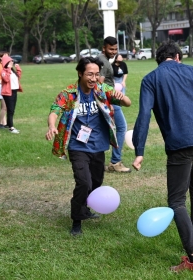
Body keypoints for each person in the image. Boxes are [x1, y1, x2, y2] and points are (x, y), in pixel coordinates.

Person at [132, 42, 193, 273]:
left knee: (176, 201)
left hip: (180, 144)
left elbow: (143, 116)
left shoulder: (151, 79)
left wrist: (139, 151)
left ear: (160, 59)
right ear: (177, 57)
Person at [45, 57, 131, 236]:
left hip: (99, 146)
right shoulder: (69, 93)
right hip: (78, 146)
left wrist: (120, 97)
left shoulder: (102, 89)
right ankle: (76, 221)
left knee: (96, 182)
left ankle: (85, 209)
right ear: (80, 73)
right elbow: (55, 110)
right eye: (89, 74)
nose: (94, 78)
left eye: (96, 74)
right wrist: (52, 126)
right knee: (83, 182)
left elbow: (128, 102)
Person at [98, 36, 131, 173]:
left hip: (110, 98)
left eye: (115, 49)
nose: (113, 51)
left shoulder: (104, 60)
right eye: (111, 49)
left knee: (104, 129)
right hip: (109, 100)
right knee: (121, 127)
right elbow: (99, 84)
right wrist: (107, 103)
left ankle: (96, 160)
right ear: (104, 48)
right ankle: (115, 162)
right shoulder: (103, 62)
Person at [1, 55, 22, 134]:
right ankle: (11, 128)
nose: (12, 62)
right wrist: (9, 68)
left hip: (14, 91)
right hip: (7, 92)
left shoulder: (12, 71)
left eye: (12, 61)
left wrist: (18, 69)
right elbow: (6, 79)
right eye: (10, 61)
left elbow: (18, 78)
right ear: (6, 63)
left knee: (12, 110)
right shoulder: (4, 71)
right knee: (10, 110)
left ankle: (9, 125)